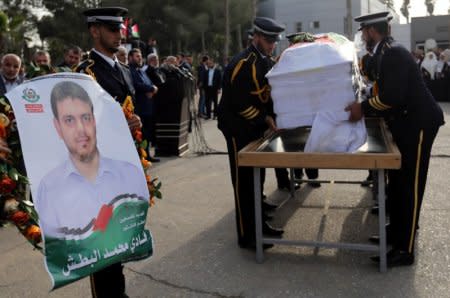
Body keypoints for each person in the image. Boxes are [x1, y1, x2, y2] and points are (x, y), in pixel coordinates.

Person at [347, 12, 444, 267]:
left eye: (363, 32)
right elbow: (379, 89)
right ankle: (398, 231)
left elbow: (392, 97)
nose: (362, 38)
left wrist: (363, 108)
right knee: (399, 182)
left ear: (370, 31)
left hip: (419, 122)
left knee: (410, 184)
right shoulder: (382, 53)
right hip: (405, 122)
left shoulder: (393, 53)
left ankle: (405, 249)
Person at [74, 6, 140, 297]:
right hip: (95, 168)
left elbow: (126, 109)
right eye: (113, 30)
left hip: (121, 165)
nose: (119, 35)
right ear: (94, 30)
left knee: (118, 230)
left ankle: (117, 290)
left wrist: (134, 122)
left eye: (121, 30)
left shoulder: (123, 69)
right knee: (99, 236)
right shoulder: (84, 74)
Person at [36, 81, 148, 237]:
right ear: (57, 127)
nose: (81, 129)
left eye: (86, 117)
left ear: (95, 121)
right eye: (69, 120)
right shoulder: (49, 187)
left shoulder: (130, 173)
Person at [217, 17, 288, 250]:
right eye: (268, 40)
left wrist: (273, 117)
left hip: (255, 127)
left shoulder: (264, 61)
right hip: (238, 128)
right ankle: (247, 235)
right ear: (256, 37)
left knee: (257, 177)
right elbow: (238, 104)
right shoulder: (243, 63)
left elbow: (267, 96)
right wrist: (265, 119)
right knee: (244, 182)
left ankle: (258, 223)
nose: (271, 45)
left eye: (273, 41)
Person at [128, 48, 160, 162]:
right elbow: (136, 84)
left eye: (140, 56)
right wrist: (151, 88)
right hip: (140, 107)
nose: (140, 58)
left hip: (148, 106)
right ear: (130, 57)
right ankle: (142, 157)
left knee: (147, 133)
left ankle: (147, 155)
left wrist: (152, 88)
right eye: (137, 56)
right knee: (141, 133)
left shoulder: (141, 70)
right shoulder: (129, 71)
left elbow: (149, 83)